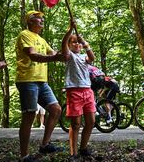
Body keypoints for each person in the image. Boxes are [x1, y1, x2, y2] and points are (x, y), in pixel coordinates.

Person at [15, 10, 64, 162]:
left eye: (42, 18)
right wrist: (55, 57)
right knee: (29, 115)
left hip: (42, 82)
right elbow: (33, 55)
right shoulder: (24, 35)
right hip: (27, 80)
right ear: (30, 21)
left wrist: (68, 39)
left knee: (56, 109)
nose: (42, 20)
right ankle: (24, 156)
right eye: (38, 18)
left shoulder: (41, 39)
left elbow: (55, 52)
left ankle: (44, 145)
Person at [62, 20, 96, 159]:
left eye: (78, 42)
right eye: (73, 42)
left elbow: (92, 57)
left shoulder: (84, 57)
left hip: (87, 91)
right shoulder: (69, 56)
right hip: (74, 91)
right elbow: (63, 45)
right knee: (75, 124)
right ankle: (73, 152)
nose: (76, 44)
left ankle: (83, 148)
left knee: (91, 121)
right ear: (69, 45)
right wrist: (70, 30)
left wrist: (85, 43)